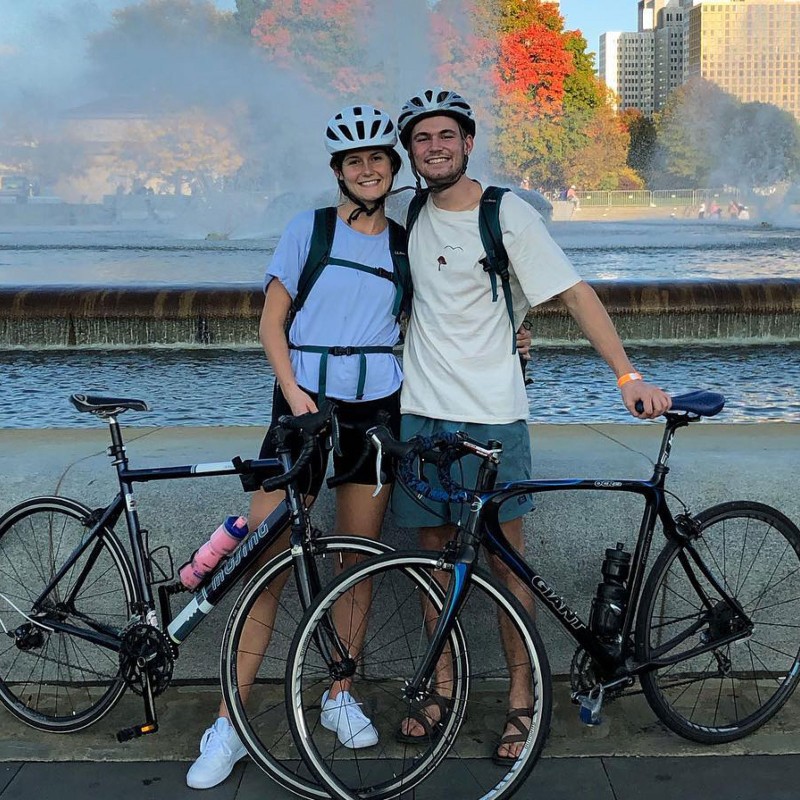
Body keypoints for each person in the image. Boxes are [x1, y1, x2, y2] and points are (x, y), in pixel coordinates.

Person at [391, 87, 671, 763]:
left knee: (506, 562)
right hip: (420, 412)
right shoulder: (408, 211)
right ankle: (441, 686)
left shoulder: (505, 212)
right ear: (411, 153)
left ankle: (523, 696)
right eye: (421, 139)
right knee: (431, 556)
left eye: (445, 136)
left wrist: (626, 374)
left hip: (493, 417)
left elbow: (574, 292)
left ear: (467, 142)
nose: (434, 148)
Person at [186, 104, 408, 789]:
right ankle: (229, 722)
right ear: (338, 171)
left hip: (375, 413)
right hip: (304, 410)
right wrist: (293, 392)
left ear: (391, 169)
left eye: (377, 159)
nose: (367, 169)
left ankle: (339, 694)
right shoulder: (306, 231)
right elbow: (272, 320)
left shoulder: (404, 243)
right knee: (269, 566)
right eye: (354, 161)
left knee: (355, 562)